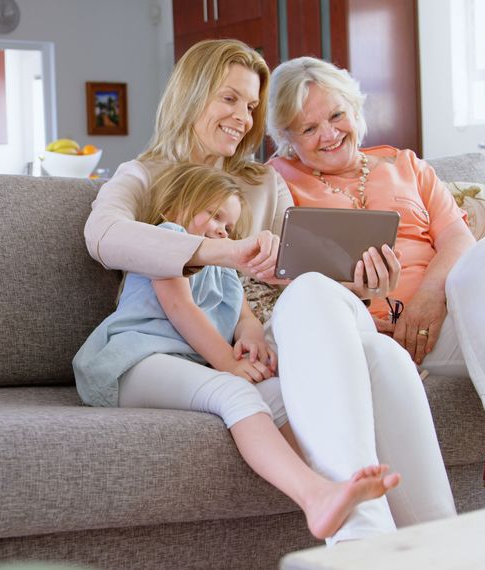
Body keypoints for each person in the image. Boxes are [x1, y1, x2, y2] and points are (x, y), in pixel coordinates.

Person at [83, 38, 456, 544]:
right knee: (322, 317)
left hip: (274, 332)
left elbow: (297, 268)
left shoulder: (260, 183)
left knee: (381, 356)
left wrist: (365, 285)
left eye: (252, 105)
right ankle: (358, 538)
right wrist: (220, 252)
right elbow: (103, 237)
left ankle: (447, 544)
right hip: (205, 349)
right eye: (229, 98)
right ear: (191, 95)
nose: (242, 116)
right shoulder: (145, 177)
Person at [265, 56, 485, 495]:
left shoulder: (406, 166)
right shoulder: (276, 183)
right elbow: (285, 283)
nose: (329, 134)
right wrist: (358, 292)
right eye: (309, 129)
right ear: (287, 138)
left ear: (354, 110)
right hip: (365, 334)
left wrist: (429, 298)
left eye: (336, 115)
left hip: (441, 323)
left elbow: (459, 240)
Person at [75, 163, 399, 539]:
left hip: (184, 369)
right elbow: (180, 309)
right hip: (131, 362)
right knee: (234, 391)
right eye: (212, 215)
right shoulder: (166, 240)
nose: (220, 230)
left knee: (279, 395)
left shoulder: (225, 269)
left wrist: (252, 339)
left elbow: (244, 316)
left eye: (228, 226)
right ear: (174, 209)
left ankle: (334, 484)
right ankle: (315, 495)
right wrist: (228, 362)